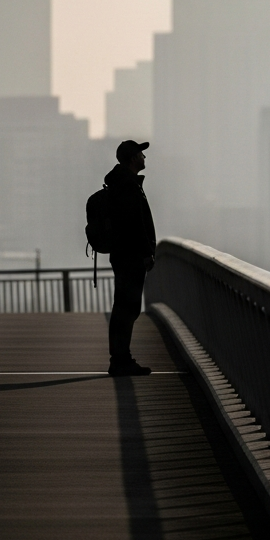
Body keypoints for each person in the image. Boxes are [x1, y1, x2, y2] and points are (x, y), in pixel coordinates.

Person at [105, 139, 156, 376]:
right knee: (127, 309)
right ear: (133, 158)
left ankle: (120, 358)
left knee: (123, 308)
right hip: (130, 257)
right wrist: (146, 254)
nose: (145, 158)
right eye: (141, 155)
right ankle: (121, 360)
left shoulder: (123, 184)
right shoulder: (127, 186)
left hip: (123, 255)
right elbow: (135, 226)